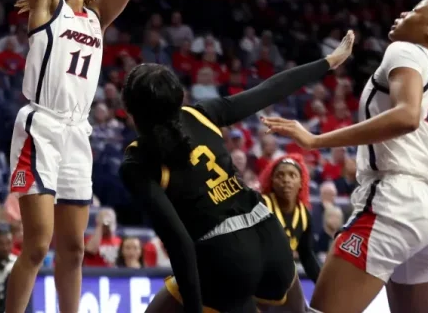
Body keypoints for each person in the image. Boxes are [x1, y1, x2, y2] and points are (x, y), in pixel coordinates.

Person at [4, 0, 148, 310]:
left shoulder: (96, 18)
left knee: (73, 248)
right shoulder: (47, 9)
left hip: (77, 133)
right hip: (40, 127)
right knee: (37, 244)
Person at [118, 31, 353, 313]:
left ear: (130, 109)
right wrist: (328, 61)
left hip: (227, 255)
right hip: (269, 233)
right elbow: (269, 90)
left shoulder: (137, 161)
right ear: (178, 98)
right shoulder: (200, 113)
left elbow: (180, 244)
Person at [262, 0, 428, 313]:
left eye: (415, 10)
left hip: (395, 201)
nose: (404, 13)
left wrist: (315, 140)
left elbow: (406, 117)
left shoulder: (406, 50)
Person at [258, 154, 320, 282]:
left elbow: (306, 255)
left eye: (292, 175)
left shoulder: (304, 213)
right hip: (255, 275)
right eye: (280, 175)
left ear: (301, 183)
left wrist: (322, 284)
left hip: (282, 276)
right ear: (272, 182)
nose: (286, 180)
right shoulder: (260, 204)